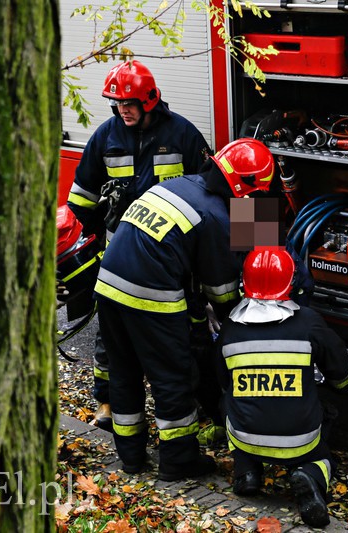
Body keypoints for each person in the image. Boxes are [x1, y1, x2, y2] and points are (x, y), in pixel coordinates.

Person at [94, 138, 276, 480]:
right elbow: (221, 290)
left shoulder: (181, 185)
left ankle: (131, 457)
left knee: (123, 371)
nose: (255, 203)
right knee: (172, 377)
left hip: (108, 284)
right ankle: (178, 462)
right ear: (245, 186)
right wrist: (243, 329)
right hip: (150, 296)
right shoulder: (220, 217)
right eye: (256, 194)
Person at [66, 60, 211, 429]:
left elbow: (215, 193)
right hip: (120, 257)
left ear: (149, 99)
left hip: (173, 261)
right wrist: (76, 249)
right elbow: (81, 199)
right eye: (116, 103)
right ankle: (107, 404)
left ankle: (196, 400)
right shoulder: (106, 136)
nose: (121, 109)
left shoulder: (183, 135)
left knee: (185, 331)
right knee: (111, 337)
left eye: (128, 102)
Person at [216, 248, 348, 528]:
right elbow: (340, 373)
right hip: (299, 441)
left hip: (245, 436)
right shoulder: (308, 322)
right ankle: (310, 473)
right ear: (291, 282)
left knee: (228, 402)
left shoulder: (230, 328)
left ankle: (247, 470)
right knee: (323, 453)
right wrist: (339, 385)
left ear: (245, 281)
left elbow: (223, 382)